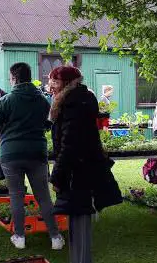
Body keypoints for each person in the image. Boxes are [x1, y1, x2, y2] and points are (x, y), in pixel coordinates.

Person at [0, 62, 65, 250]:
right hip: (37, 152)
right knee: (43, 195)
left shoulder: (6, 100)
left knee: (16, 195)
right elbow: (47, 123)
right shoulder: (43, 100)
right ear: (30, 77)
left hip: (11, 153)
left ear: (13, 78)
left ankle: (19, 237)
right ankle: (55, 238)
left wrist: (3, 131)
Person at [49, 66, 122, 263]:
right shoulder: (76, 100)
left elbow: (69, 144)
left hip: (79, 172)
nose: (50, 86)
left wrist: (57, 176)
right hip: (82, 169)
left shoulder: (74, 103)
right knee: (78, 223)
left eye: (54, 82)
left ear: (66, 83)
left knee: (80, 223)